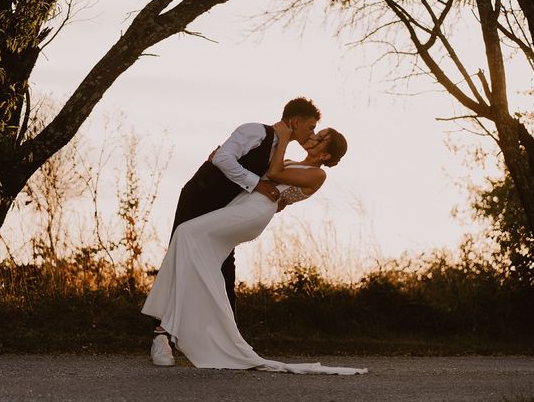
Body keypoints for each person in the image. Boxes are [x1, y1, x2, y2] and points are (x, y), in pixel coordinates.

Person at [142, 121, 367, 375]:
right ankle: (194, 329)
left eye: (321, 137)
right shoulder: (292, 160)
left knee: (185, 234)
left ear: (325, 155)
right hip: (242, 205)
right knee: (199, 254)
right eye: (316, 131)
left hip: (255, 212)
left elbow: (276, 173)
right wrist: (219, 158)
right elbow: (257, 172)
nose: (314, 136)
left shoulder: (318, 174)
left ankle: (168, 325)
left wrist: (282, 138)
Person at [164, 97, 321, 317]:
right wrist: (258, 184)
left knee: (225, 270)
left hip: (227, 210)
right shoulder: (255, 131)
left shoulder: (279, 155)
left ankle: (226, 337)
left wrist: (279, 200)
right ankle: (161, 334)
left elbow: (274, 181)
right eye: (311, 127)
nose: (312, 134)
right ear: (295, 121)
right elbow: (223, 158)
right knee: (180, 258)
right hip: (200, 196)